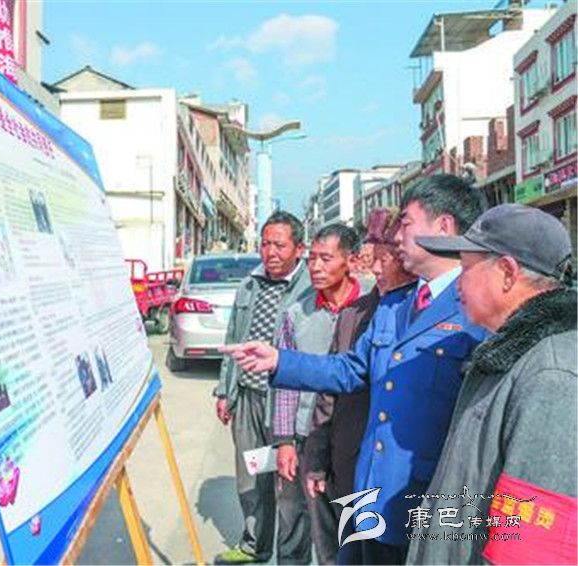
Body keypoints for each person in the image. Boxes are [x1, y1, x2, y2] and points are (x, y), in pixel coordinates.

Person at [221, 174, 489, 564]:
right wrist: (279, 360)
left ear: (444, 226)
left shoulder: (476, 306)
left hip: (428, 500)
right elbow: (349, 370)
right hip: (368, 489)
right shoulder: (396, 304)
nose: (398, 237)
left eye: (406, 224)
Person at [406, 203, 577, 564]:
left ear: (507, 272)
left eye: (465, 269)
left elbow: (530, 548)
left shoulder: (552, 375)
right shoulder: (507, 353)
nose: (457, 286)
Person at [301, 208, 416, 565]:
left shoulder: (426, 317)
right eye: (371, 259)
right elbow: (328, 396)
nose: (376, 269)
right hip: (350, 467)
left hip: (404, 477)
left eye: (384, 259)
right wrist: (316, 461)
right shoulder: (354, 315)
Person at [213, 211, 311, 565]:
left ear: (299, 248)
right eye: (265, 244)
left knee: (289, 486)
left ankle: (292, 556)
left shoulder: (310, 288)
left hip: (288, 401)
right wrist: (224, 391)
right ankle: (255, 545)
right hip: (249, 398)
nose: (270, 252)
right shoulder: (249, 285)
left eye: (279, 245)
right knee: (252, 477)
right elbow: (233, 337)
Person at [271, 223, 372, 565]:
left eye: (325, 259)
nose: (315, 267)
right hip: (308, 437)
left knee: (358, 534)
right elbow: (286, 383)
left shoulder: (372, 306)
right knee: (319, 531)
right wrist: (284, 441)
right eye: (311, 258)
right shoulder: (296, 313)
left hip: (356, 440)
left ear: (351, 261)